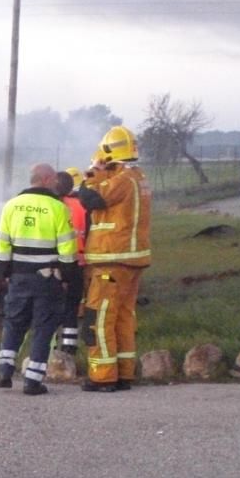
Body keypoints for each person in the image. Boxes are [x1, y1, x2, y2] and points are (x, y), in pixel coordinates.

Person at [79, 125, 152, 393]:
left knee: (99, 318)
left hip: (112, 260)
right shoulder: (138, 176)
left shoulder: (121, 179)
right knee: (123, 317)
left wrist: (90, 177)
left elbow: (89, 198)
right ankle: (124, 373)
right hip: (131, 260)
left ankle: (103, 376)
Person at [0, 163, 78, 395]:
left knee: (14, 321)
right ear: (46, 179)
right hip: (47, 279)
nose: (56, 183)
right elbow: (68, 250)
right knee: (43, 327)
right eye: (53, 180)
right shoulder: (58, 208)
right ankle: (32, 380)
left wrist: (5, 273)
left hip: (18, 277)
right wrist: (67, 277)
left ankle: (4, 369)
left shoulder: (11, 206)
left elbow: (1, 246)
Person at [56, 169, 87, 354]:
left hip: (56, 263)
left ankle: (50, 346)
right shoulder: (82, 205)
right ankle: (69, 346)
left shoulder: (54, 206)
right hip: (79, 262)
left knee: (51, 306)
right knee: (72, 306)